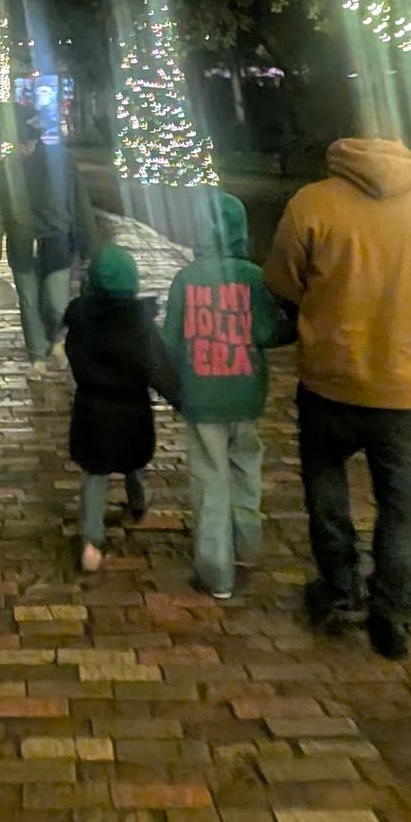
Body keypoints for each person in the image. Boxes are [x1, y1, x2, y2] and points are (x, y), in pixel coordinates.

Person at [263, 130, 411, 661]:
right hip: (407, 389)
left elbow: (283, 281)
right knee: (404, 506)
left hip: (329, 379)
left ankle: (341, 590)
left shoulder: (312, 205)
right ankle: (394, 614)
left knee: (327, 490)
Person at [162, 190, 286, 601]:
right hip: (246, 395)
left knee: (209, 479)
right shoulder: (252, 277)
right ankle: (246, 548)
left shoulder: (186, 279)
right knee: (245, 472)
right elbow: (267, 332)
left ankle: (215, 570)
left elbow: (173, 342)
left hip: (202, 397)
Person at [64, 242, 182, 577]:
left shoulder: (80, 319)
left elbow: (73, 356)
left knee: (95, 475)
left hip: (92, 410)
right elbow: (159, 368)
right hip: (132, 409)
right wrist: (182, 399)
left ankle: (90, 540)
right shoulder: (139, 323)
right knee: (134, 465)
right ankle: (138, 504)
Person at [0, 111, 94, 368]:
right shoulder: (7, 167)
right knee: (28, 302)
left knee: (55, 302)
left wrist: (88, 243)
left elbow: (79, 202)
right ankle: (37, 354)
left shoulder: (61, 162)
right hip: (22, 244)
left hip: (56, 242)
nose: (24, 146)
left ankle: (58, 340)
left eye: (27, 140)